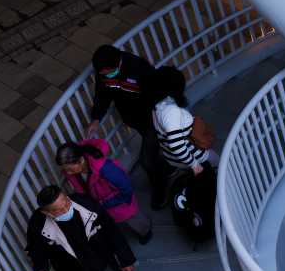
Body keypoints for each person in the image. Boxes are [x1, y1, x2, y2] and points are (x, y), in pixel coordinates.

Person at [83, 44, 171, 207]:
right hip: (135, 119)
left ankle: (161, 187)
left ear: (116, 65)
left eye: (107, 73)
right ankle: (166, 166)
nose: (104, 77)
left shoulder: (139, 69)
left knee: (146, 159)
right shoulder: (105, 73)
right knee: (154, 147)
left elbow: (157, 92)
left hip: (153, 118)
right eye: (101, 74)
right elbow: (102, 95)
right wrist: (96, 119)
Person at [58, 140, 153, 242]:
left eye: (70, 169)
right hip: (104, 204)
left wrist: (109, 202)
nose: (68, 173)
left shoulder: (106, 168)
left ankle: (146, 231)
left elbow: (126, 188)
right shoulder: (75, 171)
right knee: (119, 219)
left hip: (120, 203)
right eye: (65, 169)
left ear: (81, 160)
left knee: (134, 219)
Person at [152, 66, 215, 177]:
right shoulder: (171, 111)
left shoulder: (157, 105)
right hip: (196, 155)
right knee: (220, 164)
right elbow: (176, 145)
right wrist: (195, 165)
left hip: (174, 159)